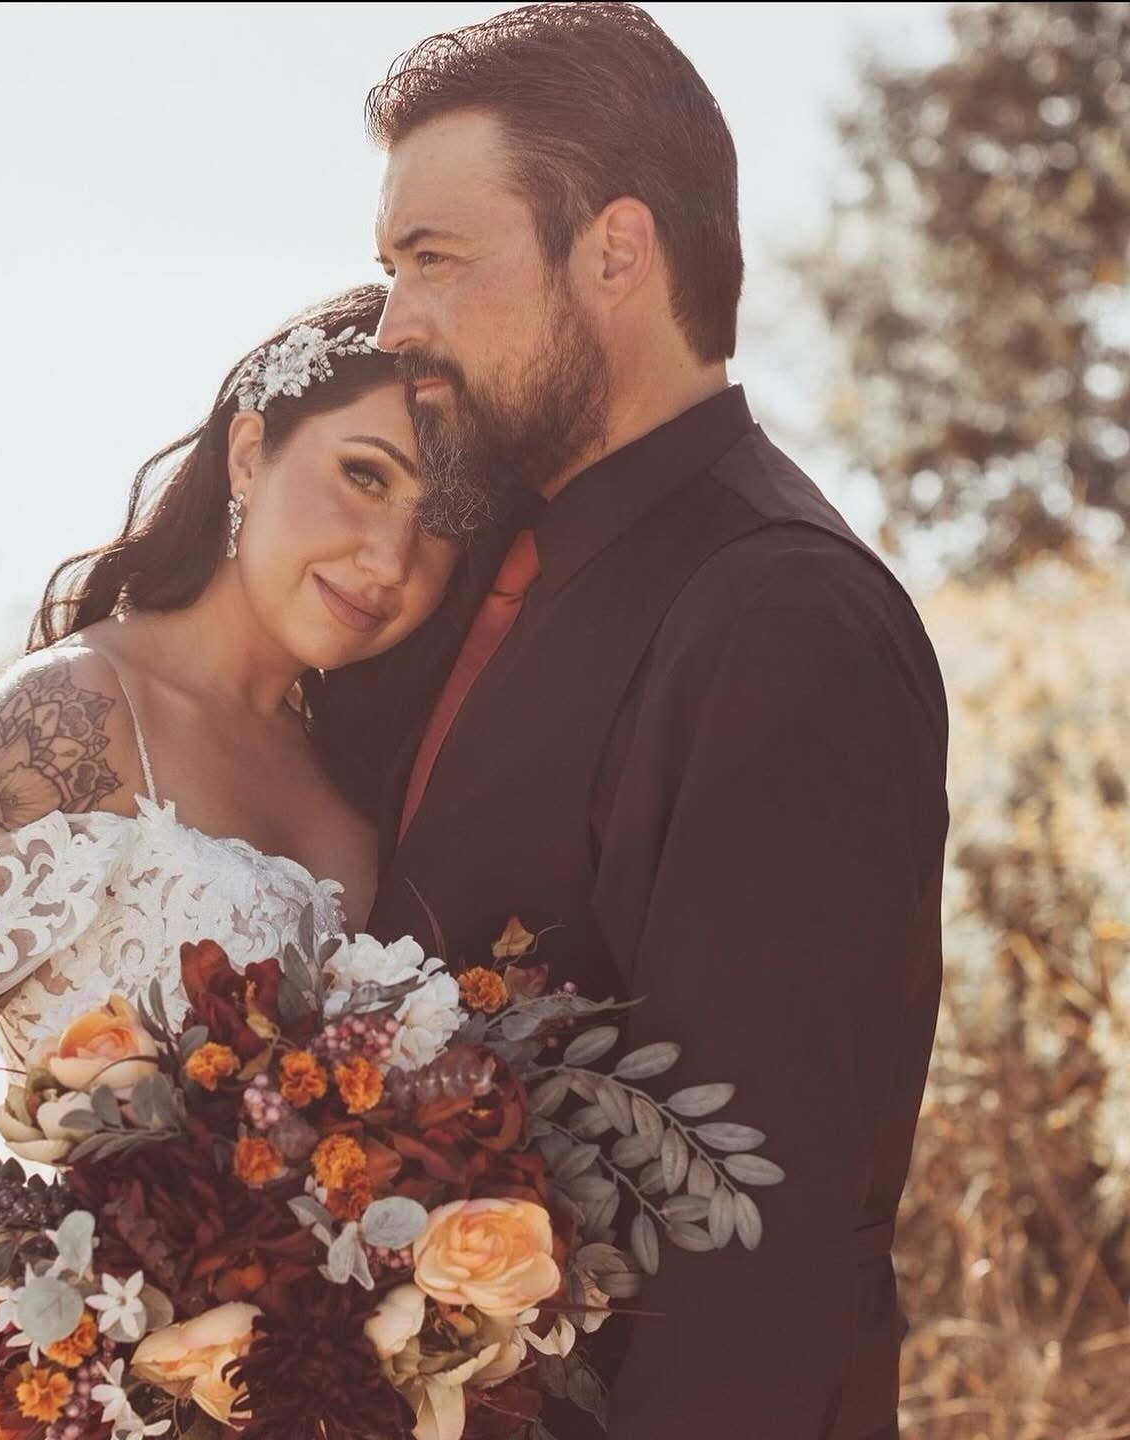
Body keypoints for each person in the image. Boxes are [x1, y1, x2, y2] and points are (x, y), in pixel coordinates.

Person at [338, 6, 952, 1438]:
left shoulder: (784, 617)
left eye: (434, 259)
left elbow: (758, 1236)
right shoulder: (473, 564)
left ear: (615, 251)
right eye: (388, 268)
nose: (393, 323)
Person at [0, 283, 484, 1440]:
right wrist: (99, 1322)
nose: (388, 554)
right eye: (365, 475)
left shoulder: (361, 793)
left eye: (443, 519)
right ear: (252, 451)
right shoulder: (77, 715)